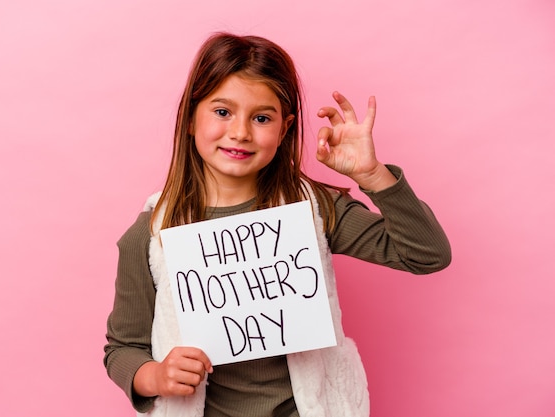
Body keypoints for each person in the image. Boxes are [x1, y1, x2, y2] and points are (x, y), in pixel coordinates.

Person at [103, 32, 451, 417]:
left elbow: (426, 254)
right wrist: (154, 375)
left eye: (261, 118)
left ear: (284, 130)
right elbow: (122, 349)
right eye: (222, 112)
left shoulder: (314, 208)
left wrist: (373, 175)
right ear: (190, 118)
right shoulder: (151, 235)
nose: (240, 132)